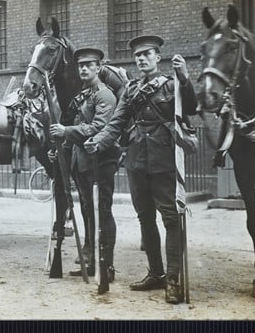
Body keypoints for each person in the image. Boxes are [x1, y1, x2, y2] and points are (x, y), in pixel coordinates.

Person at [84, 35, 197, 304]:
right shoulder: (132, 90)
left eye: (147, 54)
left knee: (170, 219)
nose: (142, 59)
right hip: (136, 162)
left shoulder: (171, 85)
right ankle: (156, 273)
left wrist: (185, 78)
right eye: (138, 56)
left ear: (158, 57)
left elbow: (191, 107)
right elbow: (116, 122)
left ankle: (172, 279)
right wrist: (98, 141)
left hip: (164, 162)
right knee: (145, 218)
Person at [48, 48, 118, 280]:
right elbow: (73, 128)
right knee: (89, 211)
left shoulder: (104, 95)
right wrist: (58, 150)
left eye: (89, 65)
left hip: (101, 162)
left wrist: (66, 131)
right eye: (81, 66)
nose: (84, 69)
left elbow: (99, 127)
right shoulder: (82, 96)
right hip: (82, 162)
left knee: (103, 212)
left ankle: (106, 266)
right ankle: (91, 260)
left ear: (99, 67)